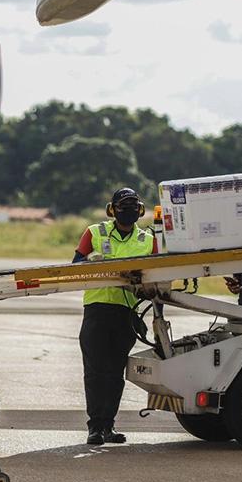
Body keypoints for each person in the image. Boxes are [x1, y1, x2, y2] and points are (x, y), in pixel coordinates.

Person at [73, 188, 157, 445]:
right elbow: (75, 265)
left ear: (140, 210)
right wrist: (91, 261)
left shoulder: (147, 240)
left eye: (133, 205)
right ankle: (94, 427)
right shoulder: (94, 233)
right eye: (124, 205)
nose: (129, 210)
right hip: (97, 309)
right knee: (95, 372)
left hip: (126, 312)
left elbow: (155, 277)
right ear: (113, 209)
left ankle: (108, 426)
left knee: (114, 373)